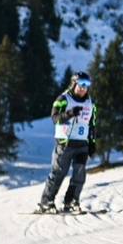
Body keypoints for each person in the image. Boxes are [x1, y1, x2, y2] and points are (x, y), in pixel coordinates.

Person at [35, 71, 97, 214]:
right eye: (81, 84)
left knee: (79, 174)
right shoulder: (63, 99)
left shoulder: (91, 103)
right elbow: (55, 118)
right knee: (58, 173)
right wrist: (69, 114)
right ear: (74, 83)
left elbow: (92, 124)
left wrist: (92, 142)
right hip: (65, 143)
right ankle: (46, 201)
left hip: (82, 144)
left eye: (87, 85)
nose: (83, 88)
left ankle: (71, 201)